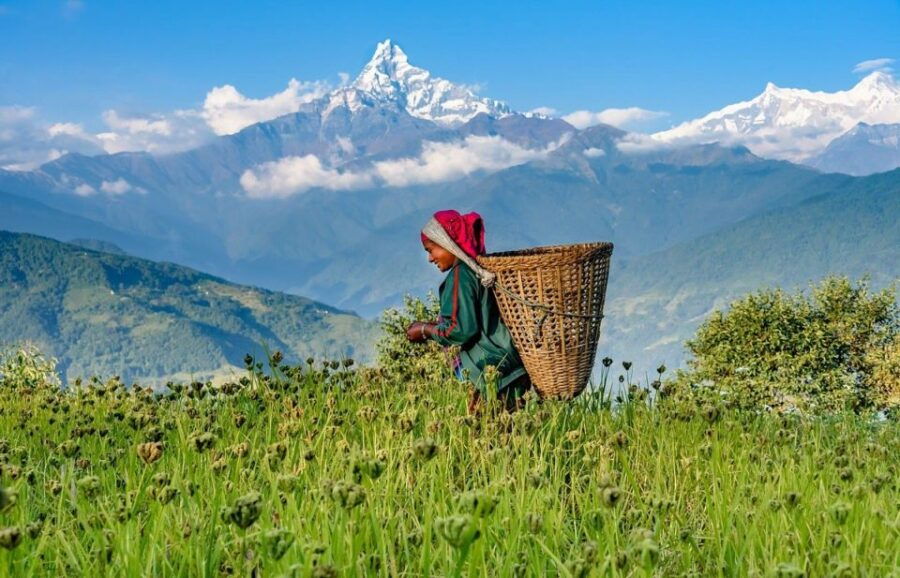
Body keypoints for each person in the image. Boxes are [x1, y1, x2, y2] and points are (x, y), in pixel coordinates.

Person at [406, 209, 531, 413]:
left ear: (447, 243)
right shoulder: (475, 270)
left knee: (487, 434)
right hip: (510, 365)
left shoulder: (461, 276)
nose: (430, 258)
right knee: (513, 433)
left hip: (490, 369)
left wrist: (424, 330)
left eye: (431, 249)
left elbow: (460, 330)